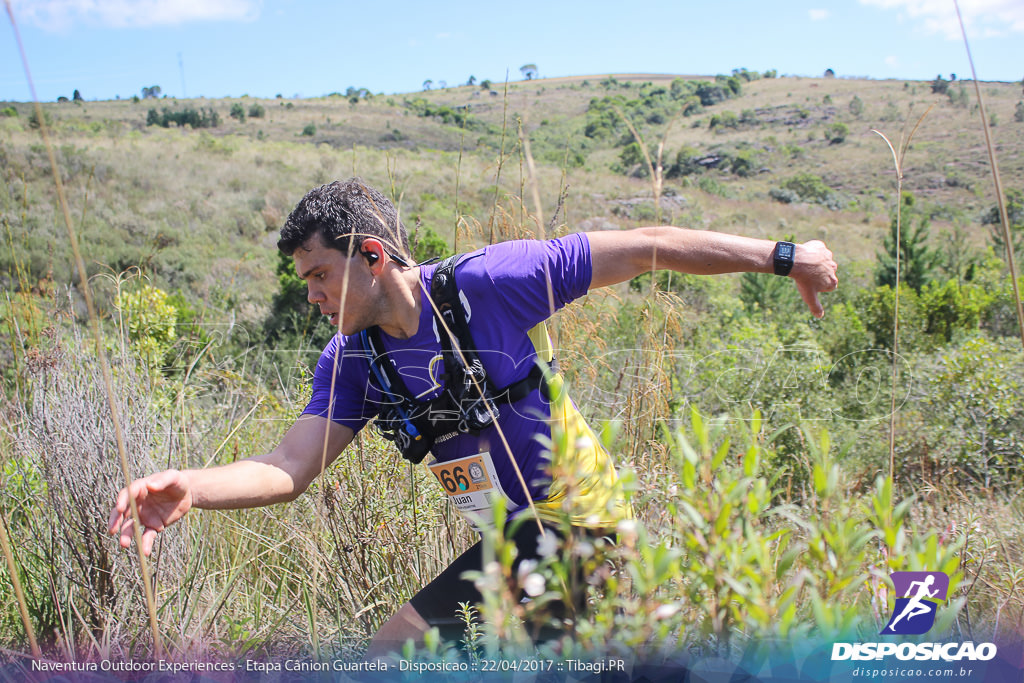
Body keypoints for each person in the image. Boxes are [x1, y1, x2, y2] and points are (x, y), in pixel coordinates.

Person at [108, 178, 838, 657]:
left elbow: (648, 247)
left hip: (583, 528)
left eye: (319, 275)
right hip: (514, 552)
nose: (312, 298)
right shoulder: (352, 360)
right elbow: (288, 466)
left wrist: (787, 256)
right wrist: (194, 488)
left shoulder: (489, 284)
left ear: (371, 255)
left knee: (385, 659)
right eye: (305, 282)